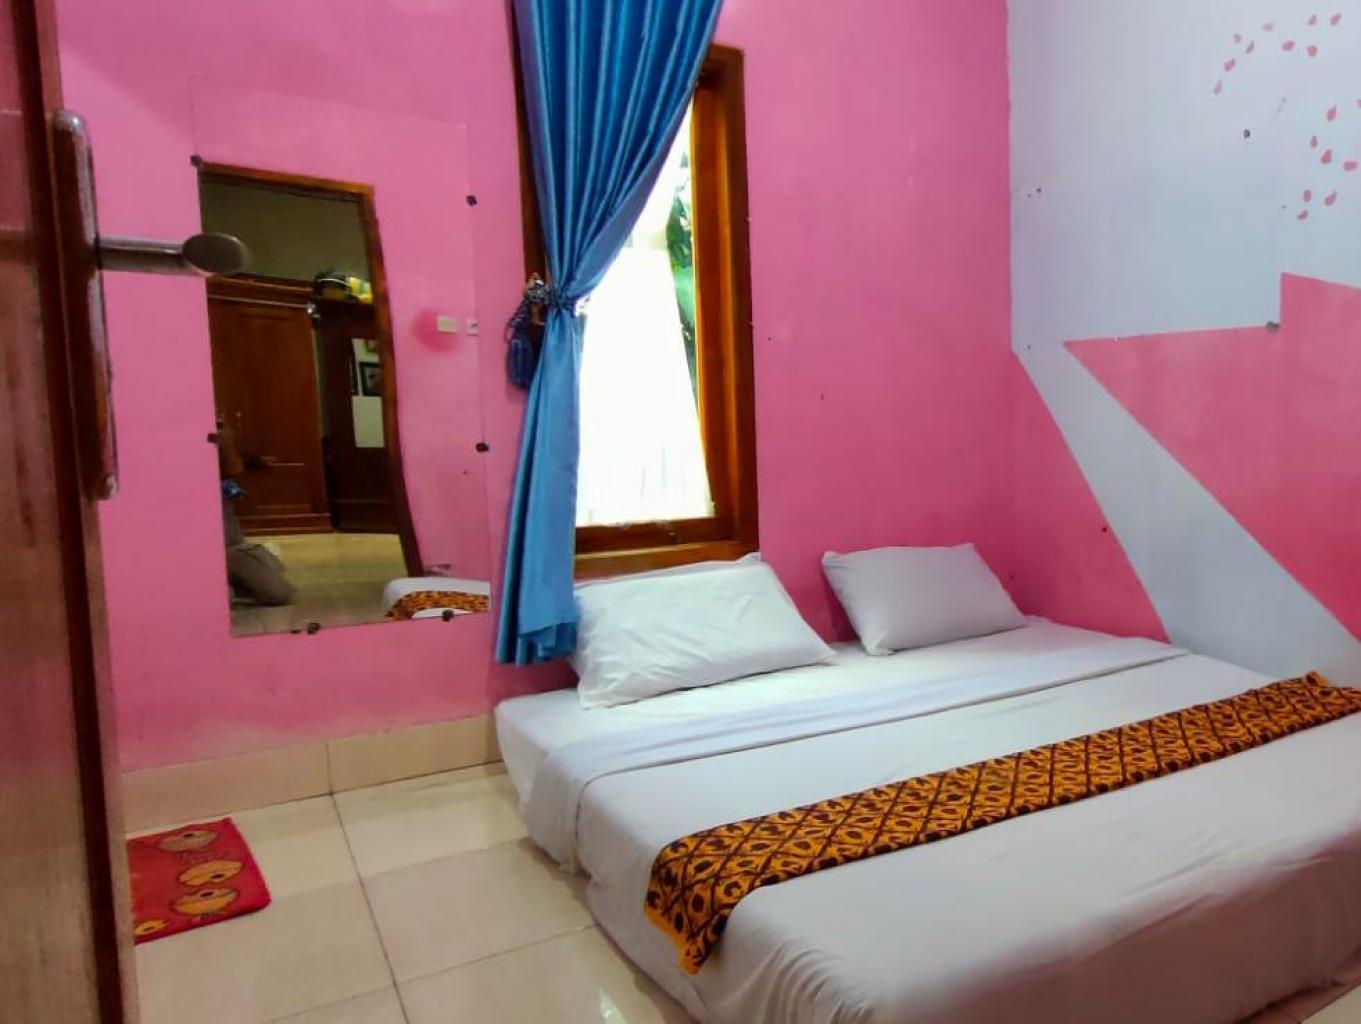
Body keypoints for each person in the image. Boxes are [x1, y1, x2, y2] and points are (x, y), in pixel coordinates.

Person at [216, 417, 295, 606]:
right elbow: (233, 467)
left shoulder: (217, 433)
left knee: (278, 593)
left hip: (229, 544)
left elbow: (233, 467)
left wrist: (252, 460)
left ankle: (248, 573)